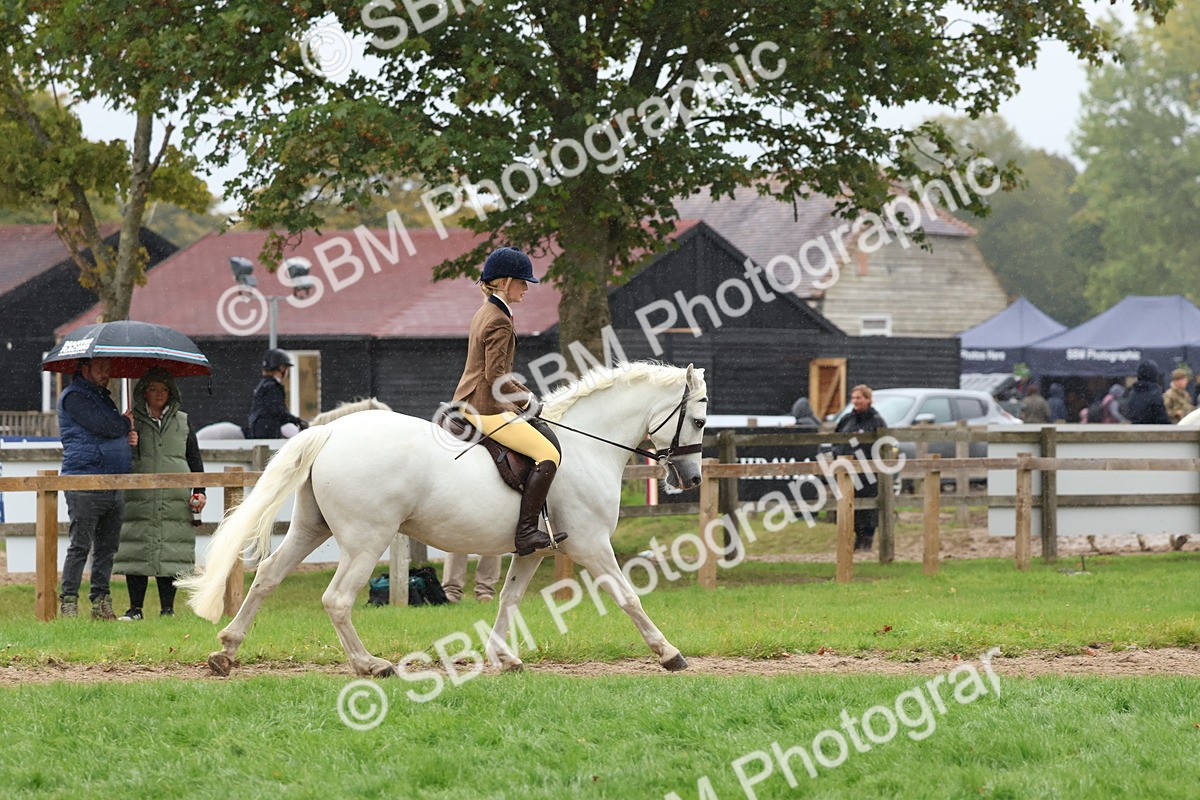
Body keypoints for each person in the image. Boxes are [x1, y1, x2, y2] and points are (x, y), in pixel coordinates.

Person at [450, 247, 567, 556]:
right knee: (547, 453)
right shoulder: (499, 319)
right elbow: (495, 374)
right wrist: (527, 400)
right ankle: (527, 532)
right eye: (521, 282)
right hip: (485, 406)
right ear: (503, 282)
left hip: (469, 400)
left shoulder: (486, 311)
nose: (526, 288)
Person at [114, 368, 207, 620]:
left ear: (171, 393)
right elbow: (119, 459)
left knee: (171, 554)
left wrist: (200, 491)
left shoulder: (184, 422)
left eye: (164, 389)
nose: (159, 394)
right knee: (137, 553)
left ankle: (168, 610)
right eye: (153, 389)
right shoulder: (130, 421)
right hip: (138, 499)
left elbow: (194, 459)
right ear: (143, 392)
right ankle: (135, 610)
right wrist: (126, 438)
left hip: (175, 498)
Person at [57, 357, 137, 620]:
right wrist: (125, 424)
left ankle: (100, 602)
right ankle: (68, 601)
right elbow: (106, 427)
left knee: (107, 547)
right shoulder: (74, 397)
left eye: (109, 368)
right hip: (84, 481)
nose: (108, 373)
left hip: (112, 481)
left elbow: (111, 431)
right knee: (80, 544)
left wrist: (128, 438)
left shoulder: (103, 398)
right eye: (101, 368)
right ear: (84, 369)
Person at [834, 384, 887, 552]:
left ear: (868, 399)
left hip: (867, 473)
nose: (855, 401)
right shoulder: (846, 419)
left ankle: (867, 539)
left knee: (868, 507)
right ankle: (855, 538)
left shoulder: (876, 421)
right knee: (849, 506)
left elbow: (883, 446)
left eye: (859, 398)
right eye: (853, 398)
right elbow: (836, 440)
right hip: (846, 470)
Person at [246, 349, 308, 438]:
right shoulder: (272, 386)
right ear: (281, 367)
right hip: (268, 431)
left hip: (261, 428)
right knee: (302, 439)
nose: (288, 371)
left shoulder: (265, 384)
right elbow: (279, 411)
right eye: (286, 367)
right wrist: (297, 421)